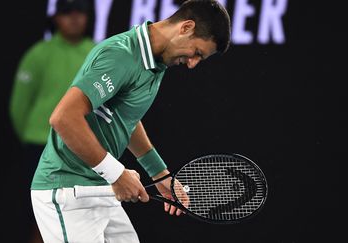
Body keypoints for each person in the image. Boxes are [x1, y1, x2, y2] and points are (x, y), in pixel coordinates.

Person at [30, 0, 231, 242]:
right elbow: (63, 118)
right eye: (197, 53)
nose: (192, 64)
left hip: (100, 188)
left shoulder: (157, 63)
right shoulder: (121, 55)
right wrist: (116, 174)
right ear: (186, 27)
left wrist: (159, 174)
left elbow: (126, 117)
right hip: (68, 191)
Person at [9, 0, 95, 242]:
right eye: (67, 12)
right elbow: (19, 106)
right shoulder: (39, 54)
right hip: (40, 146)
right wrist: (33, 135)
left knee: (79, 217)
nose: (74, 17)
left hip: (81, 149)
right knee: (41, 215)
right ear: (56, 17)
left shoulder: (95, 53)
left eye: (80, 11)